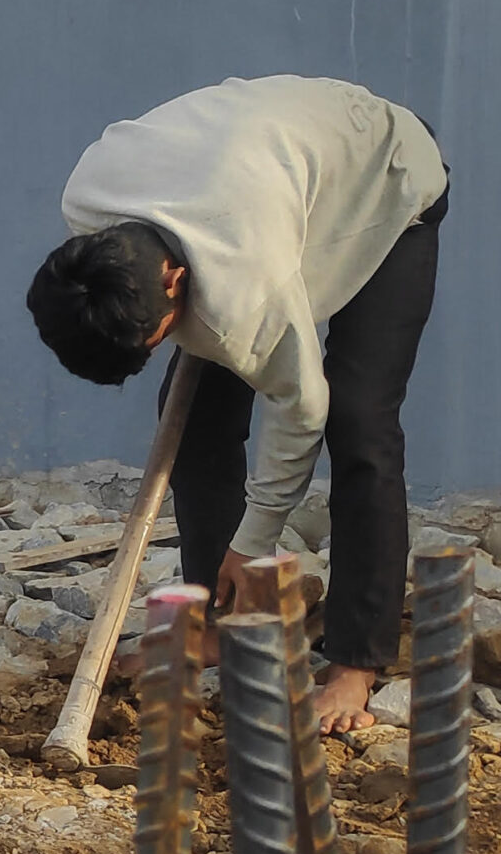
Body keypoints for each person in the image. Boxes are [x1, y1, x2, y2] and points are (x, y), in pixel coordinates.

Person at [26, 75, 448, 734]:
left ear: (173, 279)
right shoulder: (90, 199)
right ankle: (220, 628)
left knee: (357, 418)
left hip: (383, 177)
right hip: (264, 182)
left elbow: (300, 406)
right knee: (189, 417)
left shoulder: (247, 285)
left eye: (157, 335)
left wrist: (253, 544)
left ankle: (355, 665)